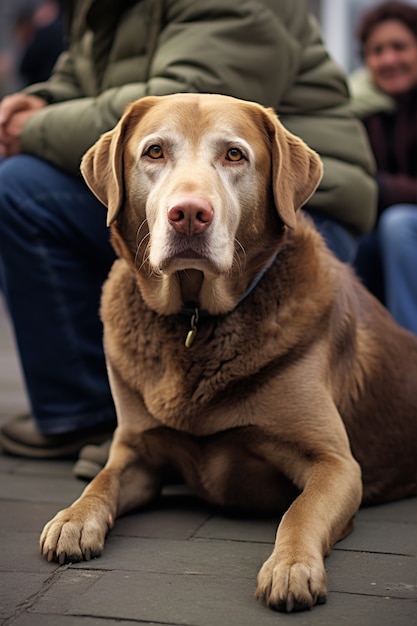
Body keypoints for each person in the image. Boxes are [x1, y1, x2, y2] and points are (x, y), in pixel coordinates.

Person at [0, 0, 376, 478]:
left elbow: (181, 99)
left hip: (292, 209)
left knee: (23, 188)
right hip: (179, 185)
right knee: (19, 187)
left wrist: (33, 127)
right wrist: (41, 102)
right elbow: (79, 79)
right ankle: (87, 417)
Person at [350, 1, 417, 333]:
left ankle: (409, 348)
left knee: (399, 224)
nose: (389, 59)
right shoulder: (356, 109)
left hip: (403, 224)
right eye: (377, 51)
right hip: (378, 227)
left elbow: (365, 183)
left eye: (399, 47)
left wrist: (381, 188)